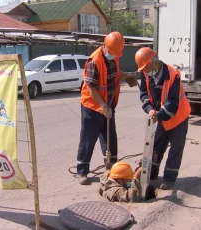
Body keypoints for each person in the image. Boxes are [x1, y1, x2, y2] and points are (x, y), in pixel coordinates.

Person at [76, 32, 138, 185]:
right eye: (111, 52)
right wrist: (102, 106)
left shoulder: (114, 55)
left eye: (116, 53)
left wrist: (125, 76)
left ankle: (112, 168)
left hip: (108, 104)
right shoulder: (94, 61)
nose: (114, 55)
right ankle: (82, 171)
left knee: (110, 137)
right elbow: (90, 86)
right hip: (93, 106)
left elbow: (115, 72)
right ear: (104, 46)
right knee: (88, 138)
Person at [135, 47, 191, 190]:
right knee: (157, 146)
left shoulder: (173, 74)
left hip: (178, 116)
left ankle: (169, 178)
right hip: (160, 116)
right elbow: (144, 95)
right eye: (143, 69)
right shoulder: (145, 73)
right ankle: (151, 174)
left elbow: (172, 104)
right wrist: (150, 109)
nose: (145, 71)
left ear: (154, 61)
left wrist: (158, 115)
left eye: (146, 67)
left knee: (176, 148)